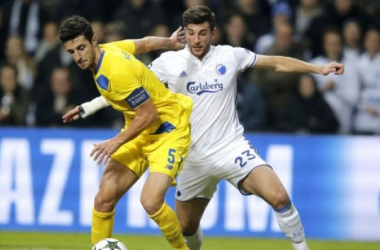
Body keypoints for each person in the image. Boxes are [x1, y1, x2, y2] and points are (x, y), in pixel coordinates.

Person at [64, 6, 344, 250]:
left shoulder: (231, 56)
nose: (196, 39)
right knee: (186, 227)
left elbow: (275, 63)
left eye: (202, 33)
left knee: (279, 196)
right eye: (191, 32)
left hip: (229, 148)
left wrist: (316, 69)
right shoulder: (167, 63)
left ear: (213, 33)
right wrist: (89, 107)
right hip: (191, 156)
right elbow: (126, 85)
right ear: (184, 32)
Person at [59, 15, 193, 250]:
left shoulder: (116, 72)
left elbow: (149, 115)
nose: (78, 56)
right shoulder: (109, 50)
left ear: (94, 41)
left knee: (150, 201)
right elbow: (143, 43)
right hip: (140, 130)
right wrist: (169, 42)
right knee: (104, 198)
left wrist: (115, 142)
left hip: (167, 129)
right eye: (72, 52)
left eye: (81, 48)